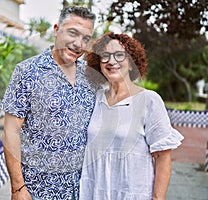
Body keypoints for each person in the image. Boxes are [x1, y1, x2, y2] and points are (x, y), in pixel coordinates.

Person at [0, 6, 99, 200]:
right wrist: (18, 188)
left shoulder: (90, 76)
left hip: (82, 190)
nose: (78, 44)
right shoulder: (27, 71)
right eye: (73, 33)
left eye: (85, 38)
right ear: (56, 30)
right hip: (36, 191)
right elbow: (11, 132)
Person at [79, 32, 184, 200]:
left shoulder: (149, 100)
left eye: (119, 55)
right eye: (105, 56)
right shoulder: (96, 98)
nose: (111, 61)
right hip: (95, 193)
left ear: (131, 63)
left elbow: (163, 158)